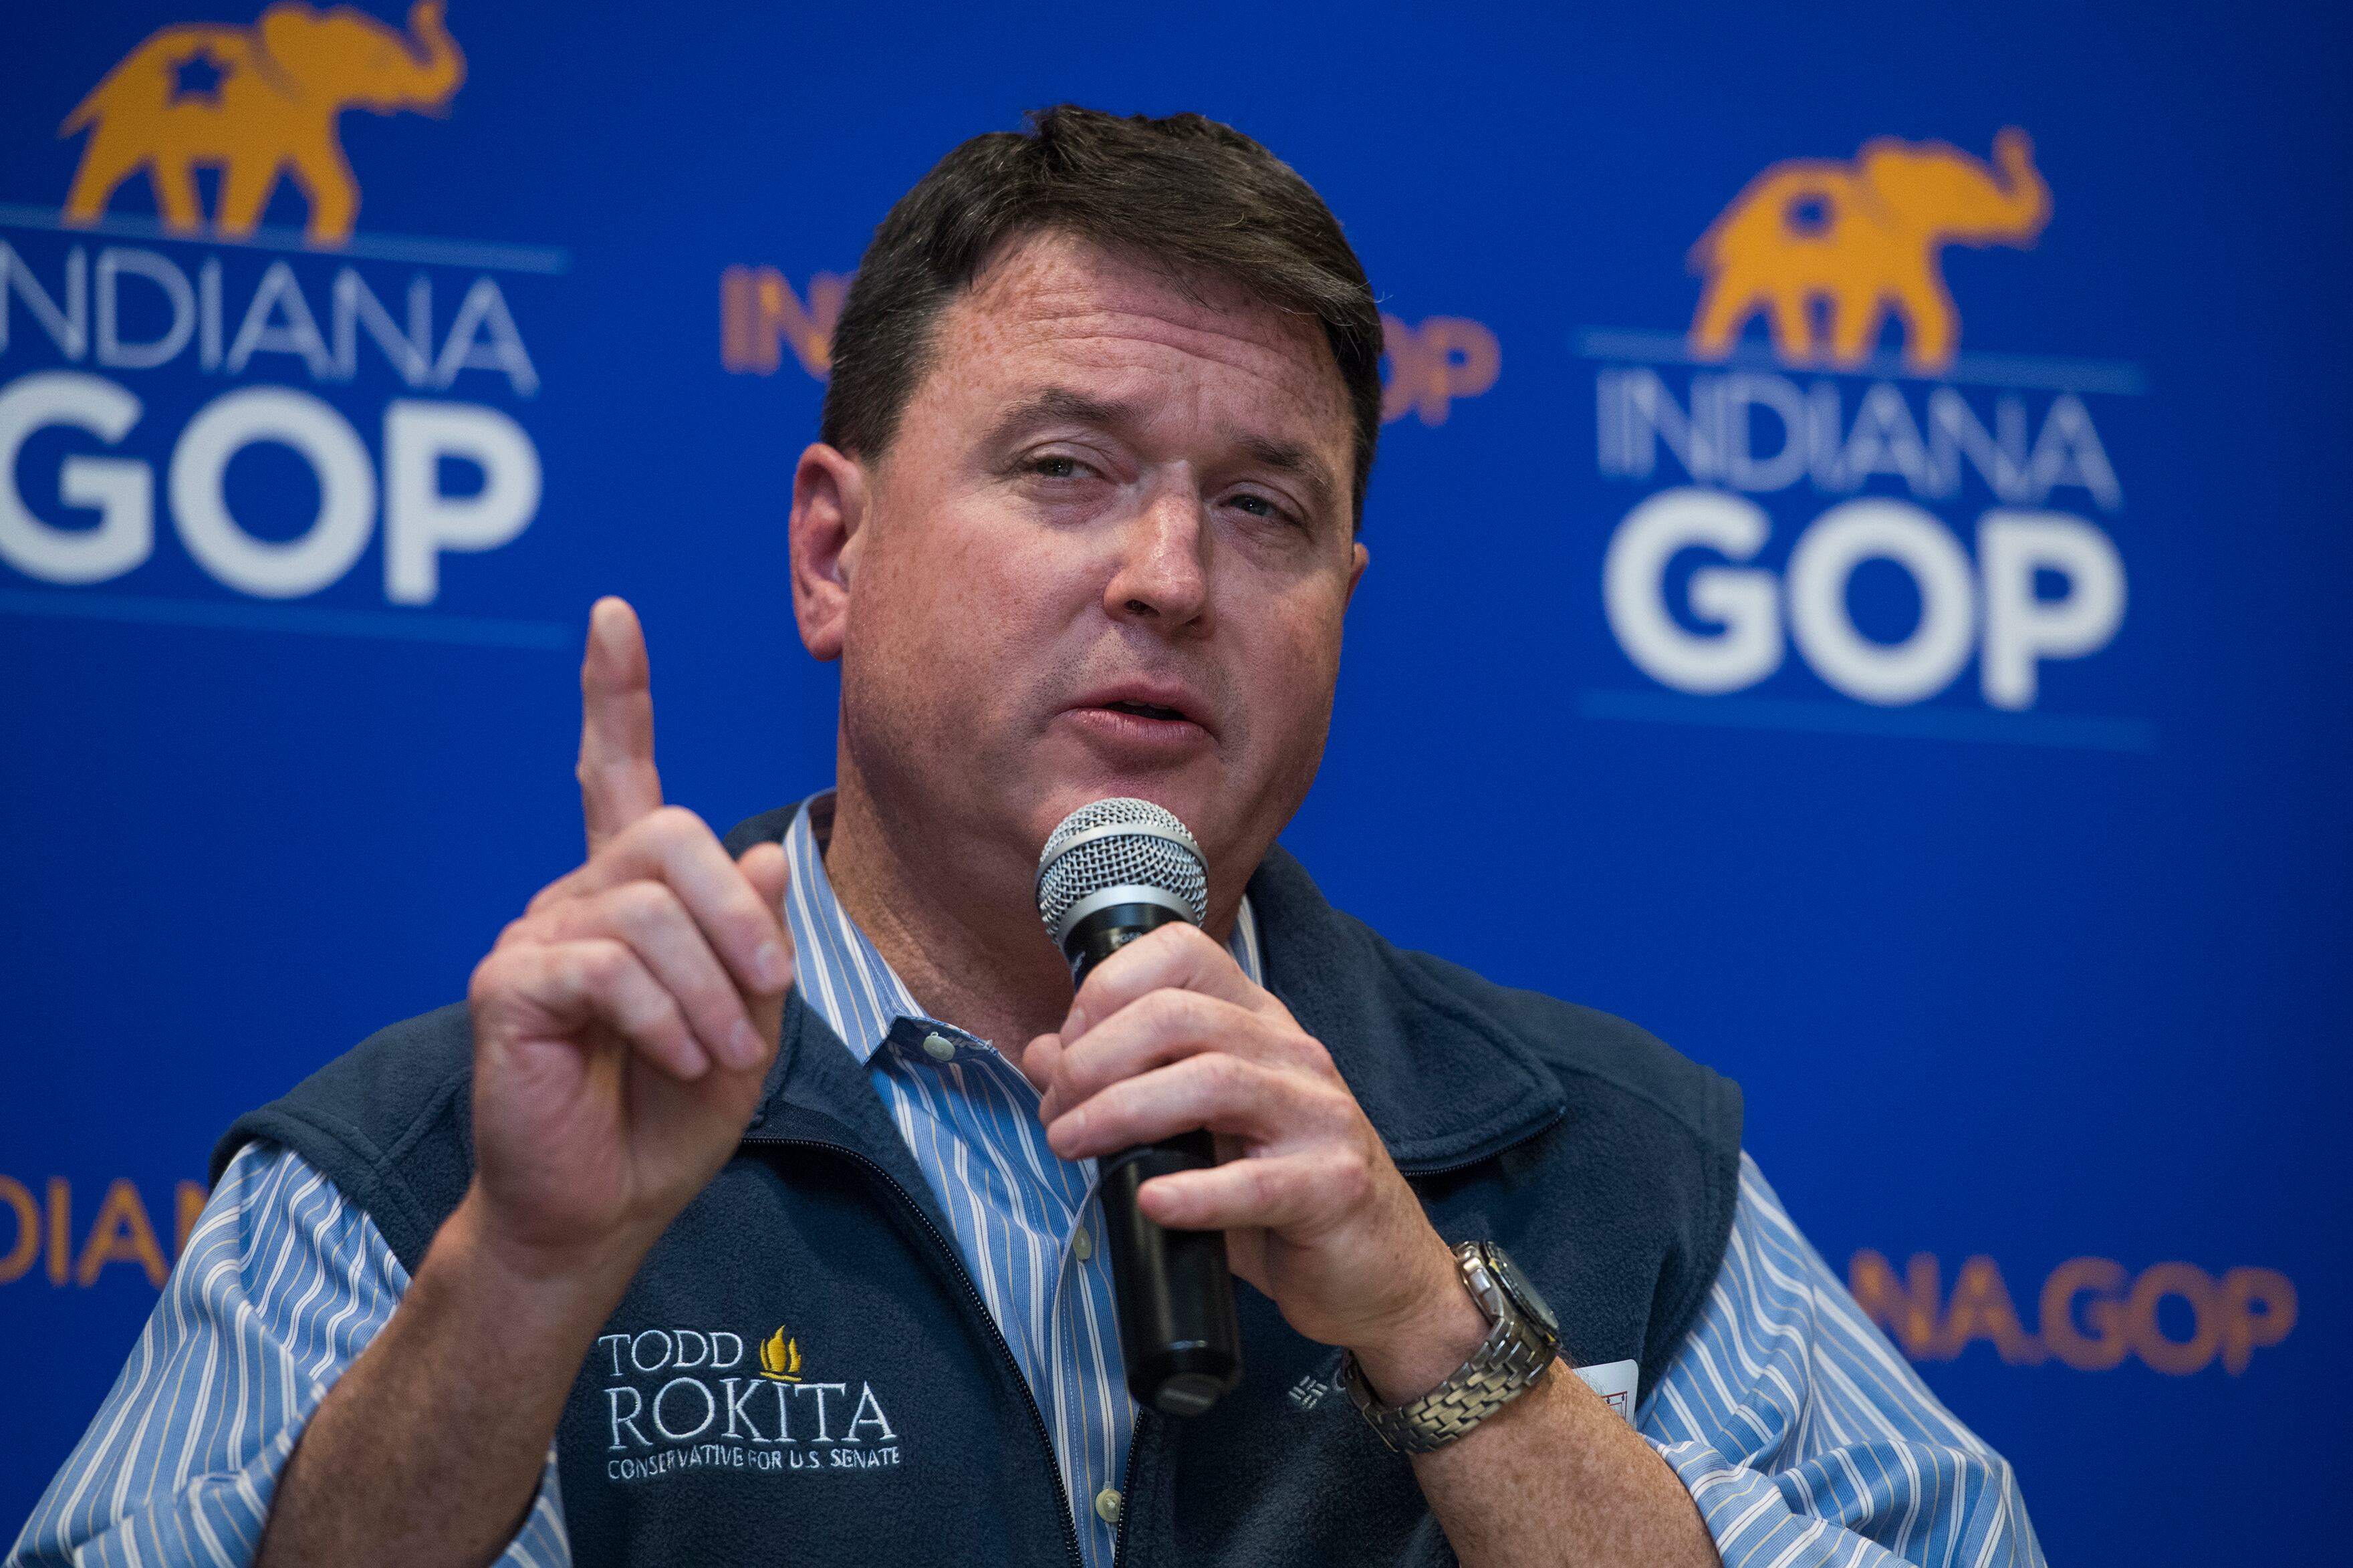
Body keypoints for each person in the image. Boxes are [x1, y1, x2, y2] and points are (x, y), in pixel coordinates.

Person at [11, 108, 2039, 1568]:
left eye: (1266, 509)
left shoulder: (1606, 1162)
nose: (1169, 573)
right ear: (833, 547)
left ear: (1347, 586)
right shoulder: (430, 1169)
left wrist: (1441, 1335)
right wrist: (526, 1277)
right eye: (1065, 467)